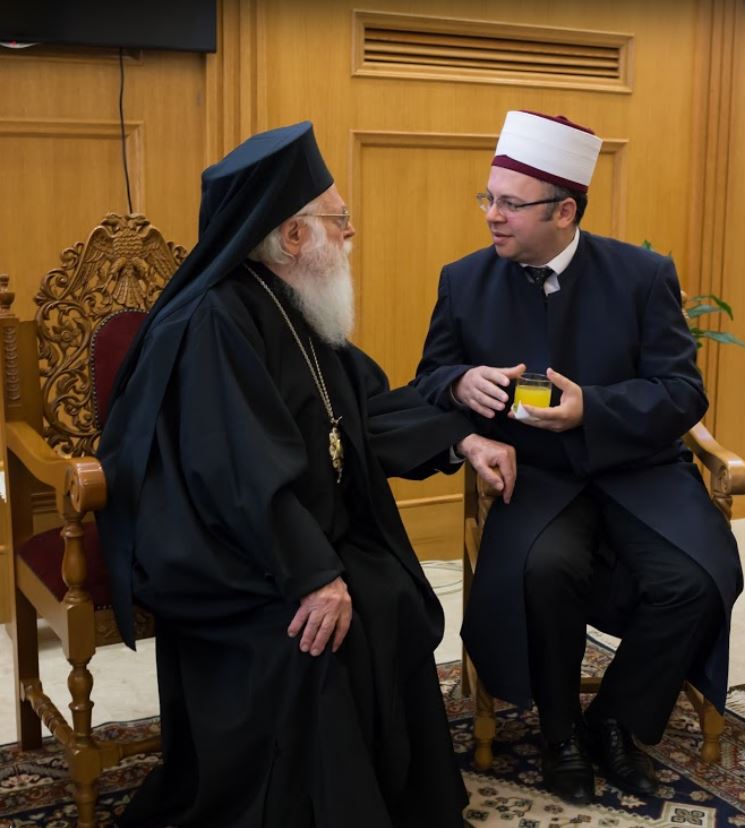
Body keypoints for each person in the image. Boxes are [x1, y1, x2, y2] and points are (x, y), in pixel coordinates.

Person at [95, 121, 515, 828]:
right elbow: (233, 467)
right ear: (293, 236)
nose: (350, 234)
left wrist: (460, 440)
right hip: (225, 545)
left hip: (289, 528)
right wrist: (313, 574)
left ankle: (398, 804)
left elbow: (362, 411)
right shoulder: (214, 321)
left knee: (390, 596)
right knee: (323, 633)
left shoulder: (295, 303)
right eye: (338, 220)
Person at [413, 110, 742, 806]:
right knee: (543, 570)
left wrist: (592, 407)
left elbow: (683, 392)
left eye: (510, 204)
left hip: (639, 471)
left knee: (698, 577)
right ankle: (560, 733)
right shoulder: (463, 280)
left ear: (563, 211)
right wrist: (459, 382)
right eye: (489, 198)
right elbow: (428, 380)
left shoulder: (642, 275)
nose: (492, 215)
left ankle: (614, 721)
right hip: (536, 477)